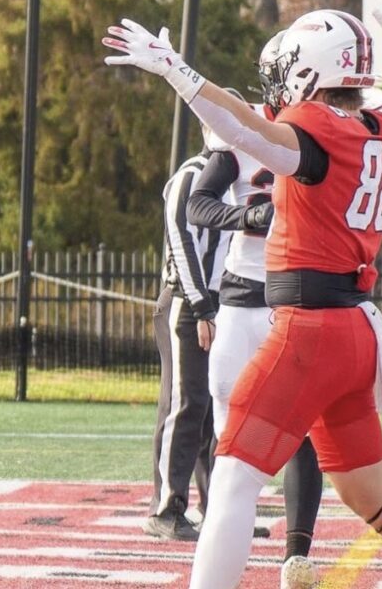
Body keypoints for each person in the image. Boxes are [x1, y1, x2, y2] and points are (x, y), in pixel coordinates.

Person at [104, 0, 382, 588]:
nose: (277, 85)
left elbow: (244, 127)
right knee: (369, 492)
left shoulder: (317, 128)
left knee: (232, 476)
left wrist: (175, 69)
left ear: (311, 70)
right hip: (354, 329)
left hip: (309, 328)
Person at [186, 44, 324, 588]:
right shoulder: (239, 141)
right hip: (245, 298)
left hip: (298, 297)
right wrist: (248, 214)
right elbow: (199, 204)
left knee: (306, 428)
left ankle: (297, 554)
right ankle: (227, 554)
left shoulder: (322, 135)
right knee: (230, 442)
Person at [144, 145, 225, 541]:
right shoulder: (191, 176)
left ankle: (216, 509)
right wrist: (201, 304)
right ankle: (166, 509)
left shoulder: (236, 177)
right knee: (184, 403)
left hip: (220, 303)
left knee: (214, 410)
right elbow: (181, 237)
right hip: (186, 302)